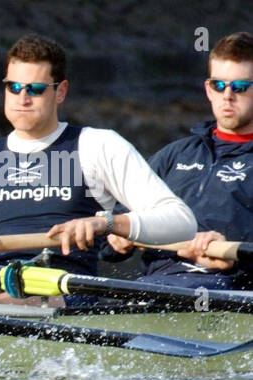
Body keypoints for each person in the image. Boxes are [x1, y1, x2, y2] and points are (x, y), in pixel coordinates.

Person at [0, 34, 196, 304]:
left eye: (35, 89)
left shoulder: (98, 145)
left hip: (63, 287)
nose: (22, 98)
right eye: (14, 87)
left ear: (60, 92)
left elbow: (181, 222)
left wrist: (107, 223)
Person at [103, 32, 253, 290]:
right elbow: (111, 234)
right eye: (219, 85)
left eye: (239, 87)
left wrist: (234, 256)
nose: (227, 95)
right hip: (155, 287)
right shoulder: (174, 155)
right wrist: (116, 239)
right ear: (208, 89)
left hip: (229, 291)